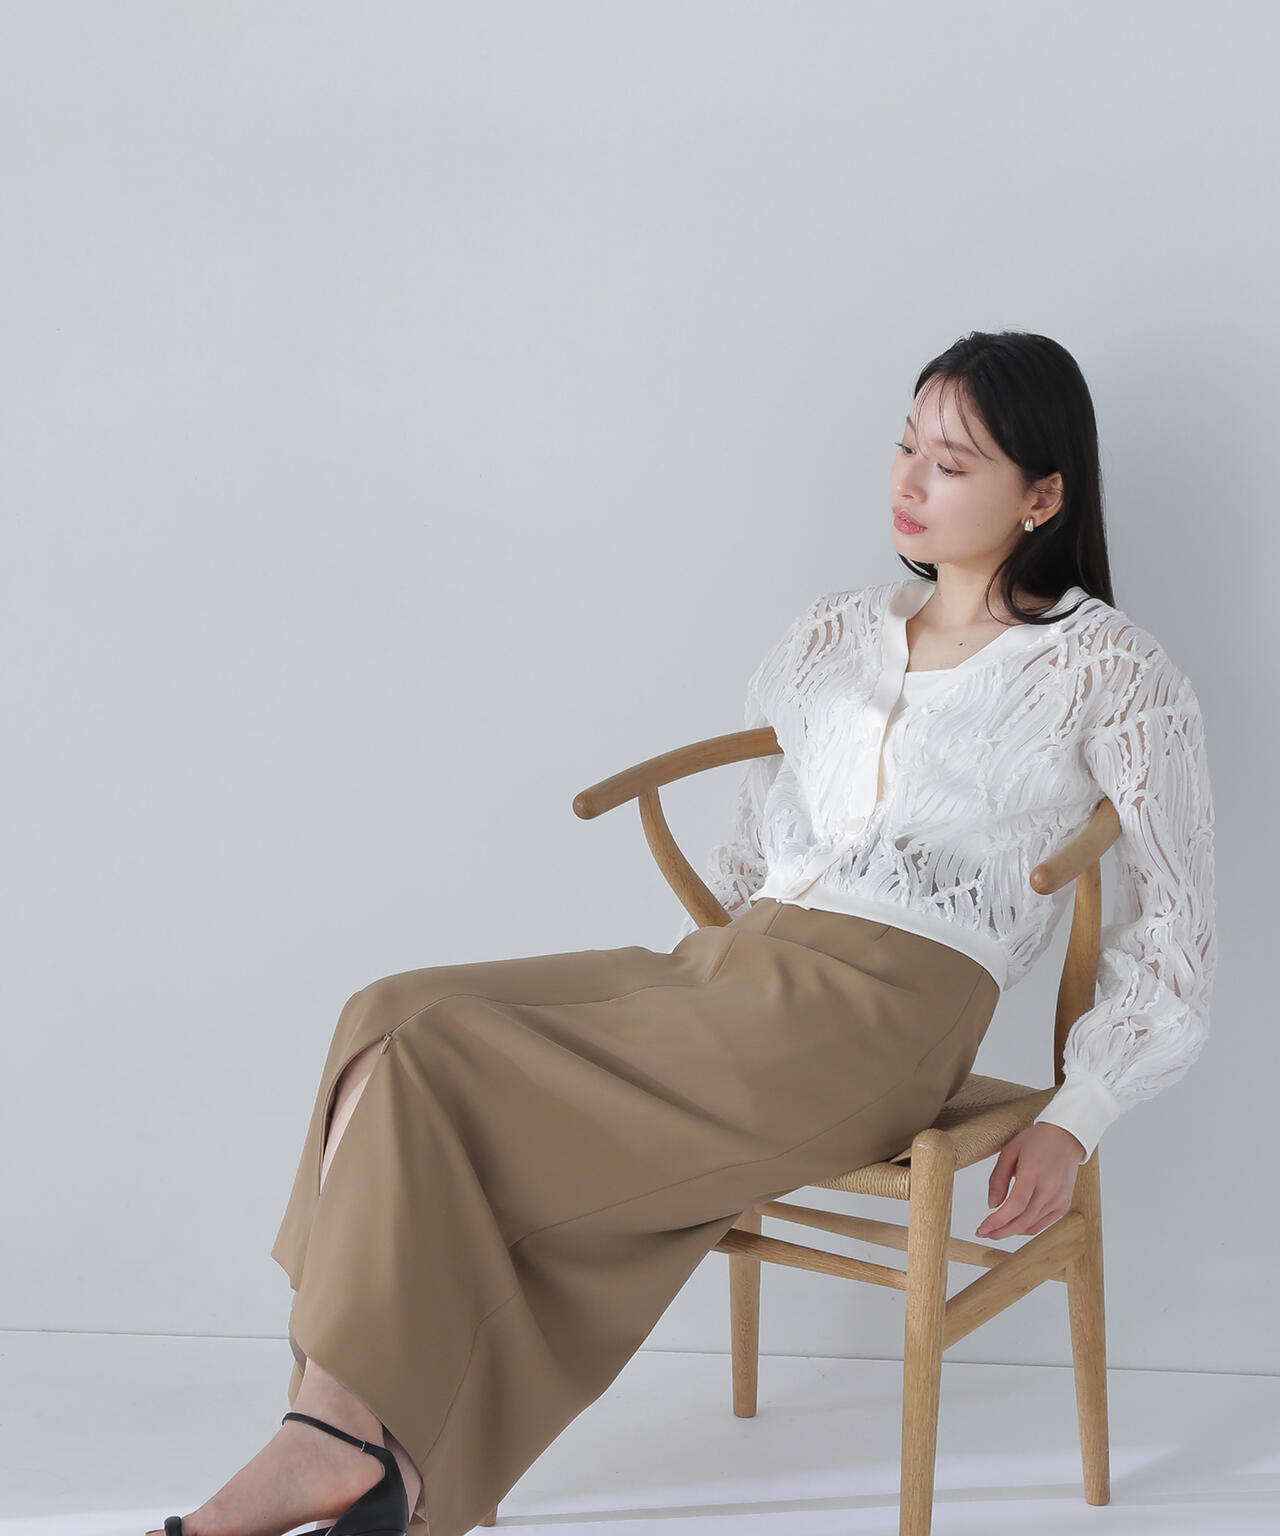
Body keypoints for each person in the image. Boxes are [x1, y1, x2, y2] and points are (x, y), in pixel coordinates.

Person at [148, 330, 1217, 1536]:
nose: (908, 482)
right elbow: (753, 849)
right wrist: (678, 992)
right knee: (384, 1012)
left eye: (952, 462)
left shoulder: (1110, 669)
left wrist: (1077, 1116)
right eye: (904, 446)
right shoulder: (831, 635)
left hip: (882, 1021)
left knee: (439, 1059)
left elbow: (1176, 931)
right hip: (739, 965)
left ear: (1042, 495)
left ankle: (340, 1444)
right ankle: (342, 1431)